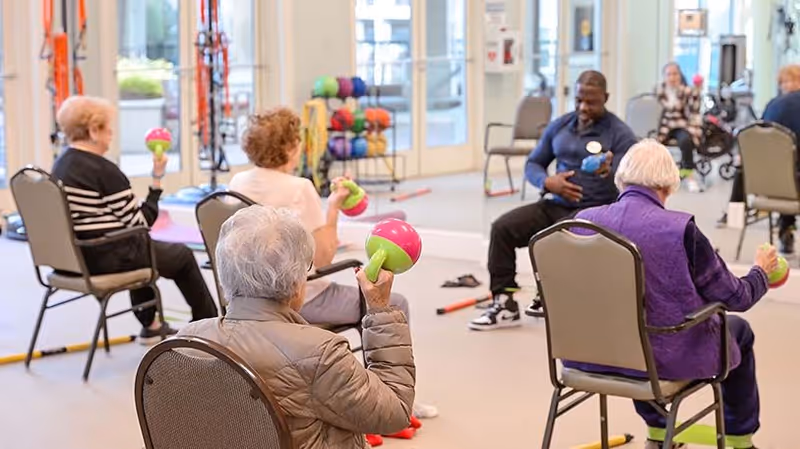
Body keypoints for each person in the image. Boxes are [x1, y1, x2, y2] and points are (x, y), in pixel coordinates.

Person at [228, 107, 437, 419]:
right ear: (289, 147)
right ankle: (388, 391)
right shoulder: (300, 187)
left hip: (245, 300)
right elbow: (322, 257)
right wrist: (334, 206)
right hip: (301, 298)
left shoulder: (237, 181)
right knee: (396, 303)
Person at [569, 139, 775, 449]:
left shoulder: (582, 222)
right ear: (669, 185)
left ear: (621, 179)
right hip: (660, 361)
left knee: (632, 329)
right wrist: (761, 272)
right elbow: (737, 298)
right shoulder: (681, 231)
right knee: (739, 331)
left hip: (586, 356)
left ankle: (657, 425)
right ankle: (739, 435)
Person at [178, 206, 415, 448]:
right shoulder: (319, 353)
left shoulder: (185, 343)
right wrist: (379, 308)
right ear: (295, 282)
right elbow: (395, 411)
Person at [469, 70, 638, 331]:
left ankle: (551, 296)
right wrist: (547, 182)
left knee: (559, 236)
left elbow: (632, 175)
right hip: (554, 204)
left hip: (594, 211)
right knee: (502, 228)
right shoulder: (560, 126)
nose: (583, 107)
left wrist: (610, 171)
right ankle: (505, 302)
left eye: (591, 102)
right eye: (580, 99)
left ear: (605, 98)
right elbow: (534, 163)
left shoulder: (619, 133)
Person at [51, 95, 218, 344]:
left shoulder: (61, 165)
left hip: (74, 258)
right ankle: (208, 325)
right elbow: (141, 222)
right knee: (179, 255)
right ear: (94, 131)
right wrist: (157, 181)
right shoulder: (104, 171)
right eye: (108, 128)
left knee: (142, 247)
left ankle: (150, 324)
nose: (112, 134)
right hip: (105, 257)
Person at [717, 65, 800, 257]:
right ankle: (786, 228)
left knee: (786, 167)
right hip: (794, 186)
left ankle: (783, 228)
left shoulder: (772, 106)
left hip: (764, 186)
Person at [656, 62, 703, 192]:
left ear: (680, 75)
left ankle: (689, 175)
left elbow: (694, 108)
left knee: (685, 141)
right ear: (665, 76)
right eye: (669, 74)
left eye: (675, 74)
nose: (672, 77)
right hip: (663, 126)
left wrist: (697, 91)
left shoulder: (686, 90)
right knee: (653, 145)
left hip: (680, 125)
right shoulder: (660, 91)